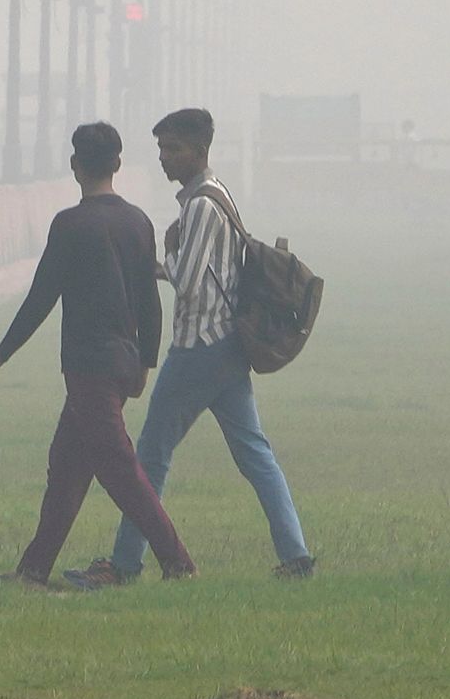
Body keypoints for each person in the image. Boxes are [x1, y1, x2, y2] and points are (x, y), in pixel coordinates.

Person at [75, 107, 314, 585]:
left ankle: (124, 565)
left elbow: (186, 282)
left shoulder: (202, 206)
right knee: (254, 454)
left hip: (200, 347)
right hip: (227, 346)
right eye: (161, 148)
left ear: (199, 151)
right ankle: (296, 556)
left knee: (150, 458)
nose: (164, 158)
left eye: (174, 149)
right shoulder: (216, 195)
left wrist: (166, 250)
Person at [0, 121, 194, 584]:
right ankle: (33, 570)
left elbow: (40, 299)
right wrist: (145, 363)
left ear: (75, 166)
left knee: (120, 471)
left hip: (87, 368)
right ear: (117, 165)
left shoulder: (70, 225)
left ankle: (178, 563)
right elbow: (149, 300)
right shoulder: (137, 222)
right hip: (121, 362)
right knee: (67, 471)